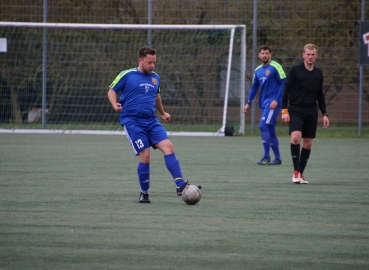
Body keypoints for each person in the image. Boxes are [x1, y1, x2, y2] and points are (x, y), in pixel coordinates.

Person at [108, 46, 200, 203]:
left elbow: (156, 96)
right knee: (146, 156)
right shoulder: (127, 75)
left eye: (154, 62)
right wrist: (114, 104)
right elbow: (111, 90)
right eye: (149, 62)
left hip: (151, 121)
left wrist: (163, 113)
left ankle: (180, 185)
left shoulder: (156, 78)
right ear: (141, 60)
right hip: (132, 122)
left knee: (169, 148)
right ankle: (144, 193)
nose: (152, 65)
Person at [281, 43, 329, 184]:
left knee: (307, 144)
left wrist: (325, 113)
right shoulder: (295, 70)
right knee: (296, 137)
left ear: (316, 56)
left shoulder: (318, 73)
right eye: (307, 54)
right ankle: (296, 172)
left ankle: (300, 174)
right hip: (295, 109)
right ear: (303, 54)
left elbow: (320, 95)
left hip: (311, 111)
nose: (310, 57)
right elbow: (286, 91)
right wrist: (284, 111)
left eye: (312, 54)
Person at [243, 45, 286, 165]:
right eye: (262, 53)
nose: (264, 55)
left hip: (273, 103)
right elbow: (254, 88)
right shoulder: (258, 70)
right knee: (270, 129)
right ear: (259, 55)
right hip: (264, 102)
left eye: (267, 53)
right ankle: (278, 158)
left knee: (263, 125)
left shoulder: (276, 67)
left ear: (270, 55)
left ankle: (266, 156)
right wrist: (248, 103)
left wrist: (276, 100)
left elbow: (283, 83)